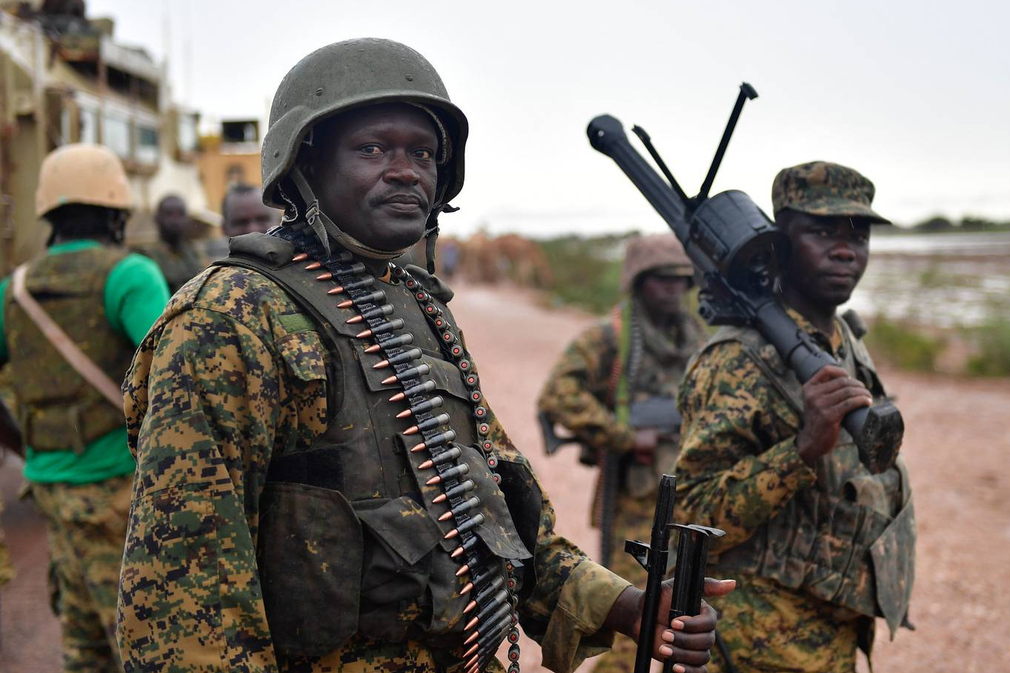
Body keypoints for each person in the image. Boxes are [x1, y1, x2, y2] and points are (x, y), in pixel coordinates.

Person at [117, 38, 731, 673]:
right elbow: (185, 599)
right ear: (306, 164)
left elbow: (500, 507)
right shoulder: (233, 315)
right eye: (372, 149)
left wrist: (626, 606)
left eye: (424, 153)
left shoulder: (418, 307)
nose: (406, 170)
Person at [673, 162, 916, 673]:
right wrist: (802, 448)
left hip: (830, 632)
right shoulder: (738, 359)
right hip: (754, 643)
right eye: (822, 231)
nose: (846, 249)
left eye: (860, 233)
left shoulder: (843, 339)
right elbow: (692, 516)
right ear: (779, 243)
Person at [0, 144, 170, 673]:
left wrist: (27, 444)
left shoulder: (13, 290)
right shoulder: (131, 276)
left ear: (47, 212)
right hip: (123, 493)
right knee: (147, 648)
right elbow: (176, 375)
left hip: (49, 488)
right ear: (118, 211)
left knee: (82, 646)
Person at [537, 233, 705, 673]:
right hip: (635, 501)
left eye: (682, 280)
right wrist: (625, 436)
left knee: (688, 612)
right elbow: (559, 394)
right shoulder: (610, 336)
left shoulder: (695, 335)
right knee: (639, 618)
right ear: (638, 281)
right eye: (662, 280)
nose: (674, 289)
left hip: (691, 491)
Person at [136, 194, 203, 293]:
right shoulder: (148, 256)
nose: (175, 221)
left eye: (180, 214)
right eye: (169, 214)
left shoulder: (194, 253)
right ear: (157, 219)